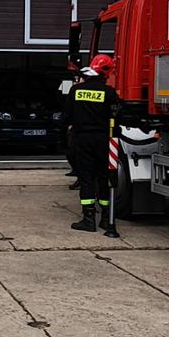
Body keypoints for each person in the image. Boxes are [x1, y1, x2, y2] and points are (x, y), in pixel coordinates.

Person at [66, 54, 121, 236]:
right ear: (105, 74)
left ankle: (88, 220)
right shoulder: (110, 93)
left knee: (87, 178)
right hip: (104, 141)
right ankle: (106, 219)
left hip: (82, 140)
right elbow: (116, 117)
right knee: (103, 178)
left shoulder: (76, 91)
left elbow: (67, 116)